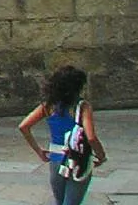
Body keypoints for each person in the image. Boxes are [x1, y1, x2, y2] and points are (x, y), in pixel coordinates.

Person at [19, 63, 107, 205]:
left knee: (59, 201)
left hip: (56, 157)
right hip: (78, 159)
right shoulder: (82, 106)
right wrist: (101, 156)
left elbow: (24, 126)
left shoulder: (48, 106)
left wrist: (38, 150)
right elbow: (91, 137)